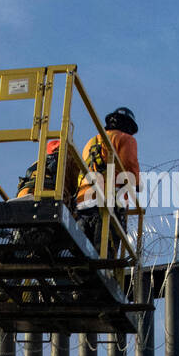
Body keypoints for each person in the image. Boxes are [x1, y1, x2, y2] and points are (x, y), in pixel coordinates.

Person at [75, 108, 140, 253]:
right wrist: (136, 183)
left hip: (83, 201)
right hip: (108, 200)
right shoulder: (126, 139)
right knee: (105, 252)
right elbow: (129, 164)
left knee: (81, 251)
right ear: (128, 125)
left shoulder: (91, 141)